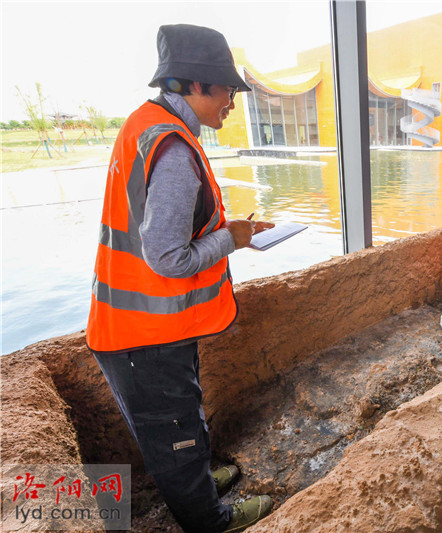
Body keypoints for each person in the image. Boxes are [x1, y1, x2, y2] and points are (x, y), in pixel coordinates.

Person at [86, 24, 274, 533]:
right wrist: (232, 239)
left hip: (144, 324)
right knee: (175, 434)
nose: (232, 103)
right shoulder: (171, 149)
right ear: (195, 84)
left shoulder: (148, 125)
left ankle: (197, 480)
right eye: (227, 91)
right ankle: (209, 519)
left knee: (180, 420)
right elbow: (168, 258)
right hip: (142, 334)